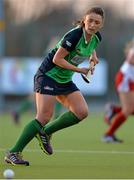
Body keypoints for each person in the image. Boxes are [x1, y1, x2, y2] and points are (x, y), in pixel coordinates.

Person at [5, 7, 105, 166]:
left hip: (64, 80)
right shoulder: (74, 36)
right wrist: (79, 69)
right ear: (84, 20)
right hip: (48, 76)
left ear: (101, 25)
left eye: (97, 22)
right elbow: (57, 60)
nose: (93, 24)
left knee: (81, 112)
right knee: (44, 116)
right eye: (90, 20)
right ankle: (13, 152)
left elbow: (92, 48)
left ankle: (45, 132)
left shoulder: (96, 37)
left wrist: (93, 58)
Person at [102, 38, 134, 143]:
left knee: (130, 109)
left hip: (130, 79)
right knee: (128, 110)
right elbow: (131, 58)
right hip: (125, 79)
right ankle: (108, 135)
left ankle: (114, 110)